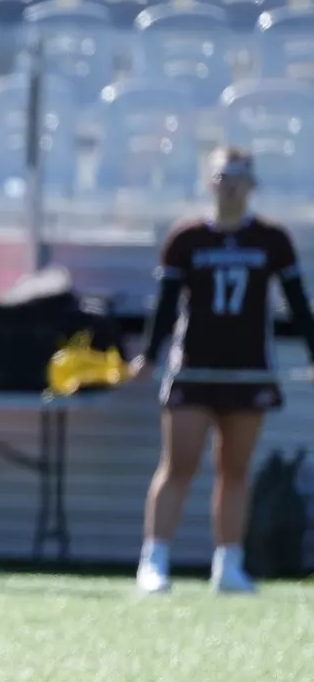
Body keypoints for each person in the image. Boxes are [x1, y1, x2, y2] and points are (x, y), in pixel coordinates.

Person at [129, 148, 314, 595]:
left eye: (240, 177)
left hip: (248, 370)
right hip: (194, 369)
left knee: (235, 468)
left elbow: (296, 300)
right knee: (180, 464)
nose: (231, 185)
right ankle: (154, 560)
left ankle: (228, 563)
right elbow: (167, 304)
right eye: (223, 176)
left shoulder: (271, 239)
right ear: (209, 182)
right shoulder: (186, 238)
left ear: (252, 185)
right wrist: (150, 355)